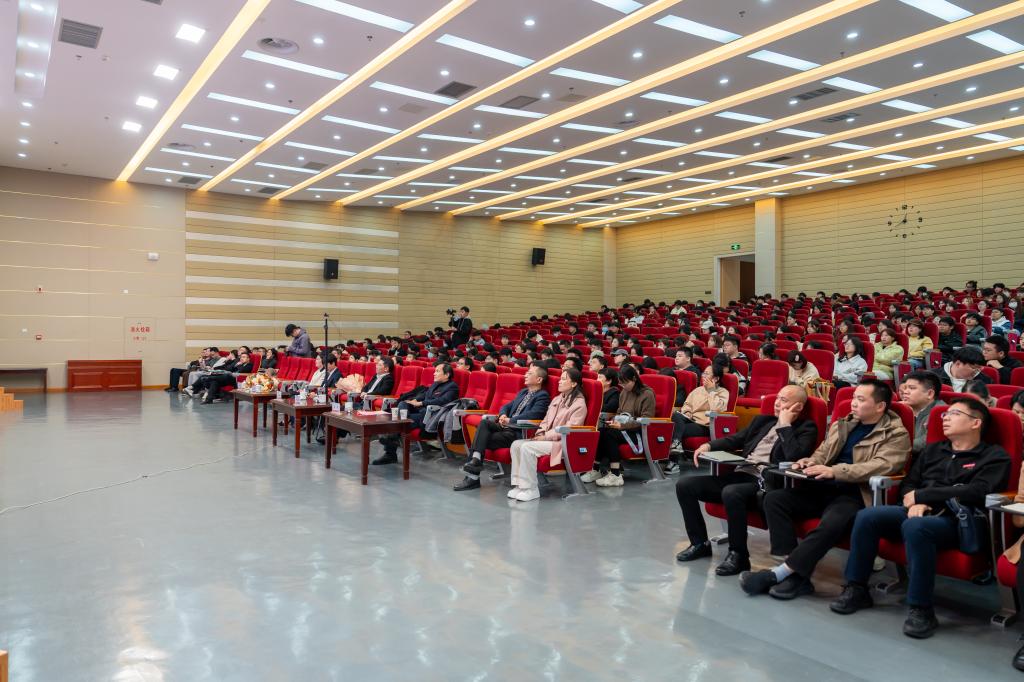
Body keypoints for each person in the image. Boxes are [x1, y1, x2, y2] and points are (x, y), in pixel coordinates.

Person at [831, 398, 1009, 639]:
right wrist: (917, 501)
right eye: (945, 414)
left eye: (954, 414)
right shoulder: (934, 450)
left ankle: (921, 608)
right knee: (868, 516)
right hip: (916, 510)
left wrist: (924, 497)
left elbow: (977, 491)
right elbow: (909, 484)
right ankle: (856, 587)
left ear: (975, 423)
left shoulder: (993, 456)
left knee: (917, 527)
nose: (945, 418)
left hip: (958, 520)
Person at [740, 380, 910, 600]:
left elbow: (881, 466)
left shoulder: (896, 434)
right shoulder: (844, 424)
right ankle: (795, 574)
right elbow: (823, 452)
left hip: (855, 493)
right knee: (774, 499)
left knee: (830, 523)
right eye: (854, 397)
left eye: (860, 399)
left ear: (880, 406)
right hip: (822, 486)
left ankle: (781, 575)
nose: (853, 403)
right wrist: (809, 461)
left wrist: (835, 471)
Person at [676, 386, 818, 576]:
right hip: (741, 473)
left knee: (732, 492)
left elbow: (794, 456)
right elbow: (736, 439)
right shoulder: (762, 421)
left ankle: (739, 555)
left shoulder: (806, 428)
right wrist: (708, 445)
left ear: (798, 407)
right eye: (777, 398)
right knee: (685, 485)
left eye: (783, 400)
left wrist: (784, 425)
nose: (777, 403)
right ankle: (699, 543)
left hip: (766, 482)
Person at [454, 365, 551, 491]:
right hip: (505, 427)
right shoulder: (523, 392)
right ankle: (476, 461)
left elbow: (534, 414)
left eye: (530, 373)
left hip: (517, 432)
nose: (525, 375)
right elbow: (506, 406)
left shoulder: (542, 396)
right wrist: (503, 415)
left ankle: (473, 476)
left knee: (480, 440)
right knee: (484, 423)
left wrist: (511, 420)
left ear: (539, 379)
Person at [507, 369, 589, 501]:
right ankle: (519, 485)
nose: (559, 381)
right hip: (547, 439)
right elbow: (545, 420)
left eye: (564, 379)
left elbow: (569, 428)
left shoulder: (579, 404)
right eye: (560, 378)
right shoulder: (557, 399)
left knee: (527, 447)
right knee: (516, 445)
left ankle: (530, 489)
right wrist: (540, 433)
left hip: (563, 443)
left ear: (574, 384)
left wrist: (545, 437)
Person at [582, 365, 656, 488]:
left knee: (610, 435)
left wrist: (622, 425)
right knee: (601, 431)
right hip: (623, 427)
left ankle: (616, 474)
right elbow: (619, 412)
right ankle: (596, 469)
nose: (623, 386)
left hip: (638, 431)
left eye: (625, 383)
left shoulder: (647, 394)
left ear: (634, 379)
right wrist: (614, 421)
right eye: (621, 383)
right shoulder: (624, 392)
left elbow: (646, 420)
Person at [375, 363, 459, 465]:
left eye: (437, 371)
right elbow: (425, 395)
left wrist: (421, 403)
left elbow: (443, 401)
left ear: (447, 375)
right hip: (419, 411)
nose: (434, 373)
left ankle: (390, 450)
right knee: (403, 404)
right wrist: (414, 400)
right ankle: (394, 436)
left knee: (397, 420)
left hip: (429, 416)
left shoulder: (452, 387)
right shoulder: (435, 384)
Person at [669, 365, 730, 450]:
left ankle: (676, 450)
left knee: (676, 429)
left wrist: (711, 391)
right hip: (691, 420)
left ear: (716, 379)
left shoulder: (723, 392)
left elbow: (717, 409)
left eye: (707, 374)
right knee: (676, 415)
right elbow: (687, 404)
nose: (703, 376)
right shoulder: (698, 390)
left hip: (705, 425)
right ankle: (677, 447)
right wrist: (687, 412)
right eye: (703, 373)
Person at [899, 371, 944, 455]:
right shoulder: (901, 409)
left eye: (912, 388)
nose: (905, 392)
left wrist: (893, 446)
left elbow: (924, 443)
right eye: (905, 388)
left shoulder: (941, 413)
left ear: (930, 394)